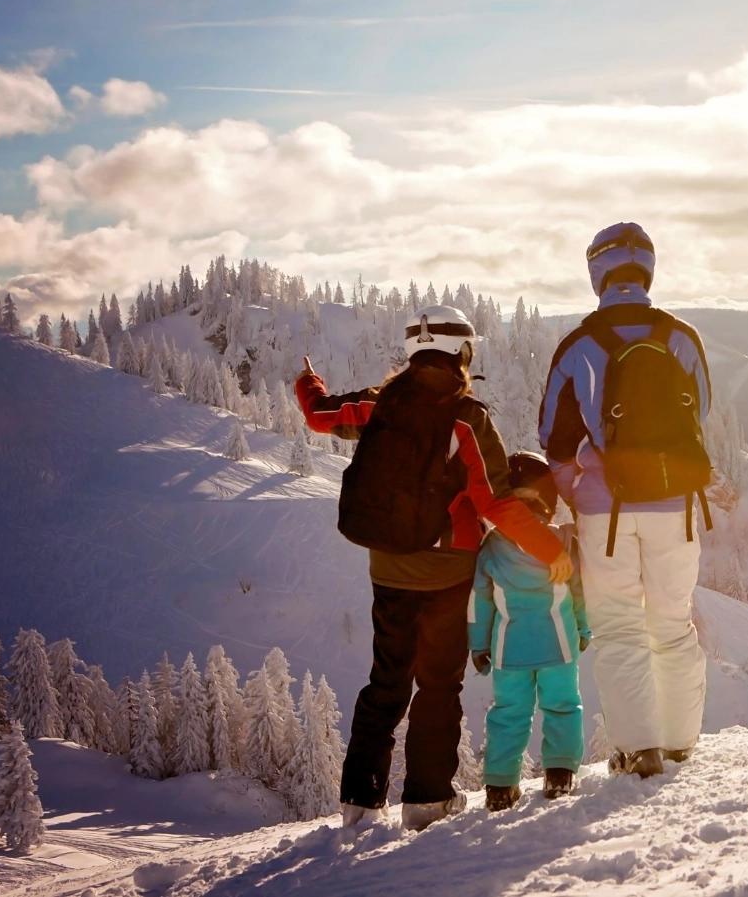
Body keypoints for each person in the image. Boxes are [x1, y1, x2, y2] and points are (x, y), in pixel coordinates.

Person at [295, 304, 571, 832]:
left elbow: (320, 416)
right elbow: (495, 502)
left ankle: (359, 801)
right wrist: (549, 549)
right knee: (438, 684)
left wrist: (308, 382)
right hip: (447, 571)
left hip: (389, 568)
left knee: (386, 680)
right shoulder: (466, 418)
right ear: (461, 353)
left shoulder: (380, 406)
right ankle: (426, 801)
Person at [539, 222, 712, 779]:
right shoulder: (682, 336)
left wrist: (580, 492)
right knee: (673, 623)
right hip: (677, 505)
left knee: (618, 628)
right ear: (648, 270)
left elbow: (554, 439)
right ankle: (681, 742)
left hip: (606, 511)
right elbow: (699, 414)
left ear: (597, 272)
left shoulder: (578, 344)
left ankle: (640, 750)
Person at [470, 451, 589, 811]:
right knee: (563, 707)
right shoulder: (564, 543)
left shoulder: (491, 547)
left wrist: (478, 646)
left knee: (508, 712)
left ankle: (501, 787)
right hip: (560, 645)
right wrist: (583, 628)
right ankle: (559, 774)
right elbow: (580, 592)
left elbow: (480, 602)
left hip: (509, 650)